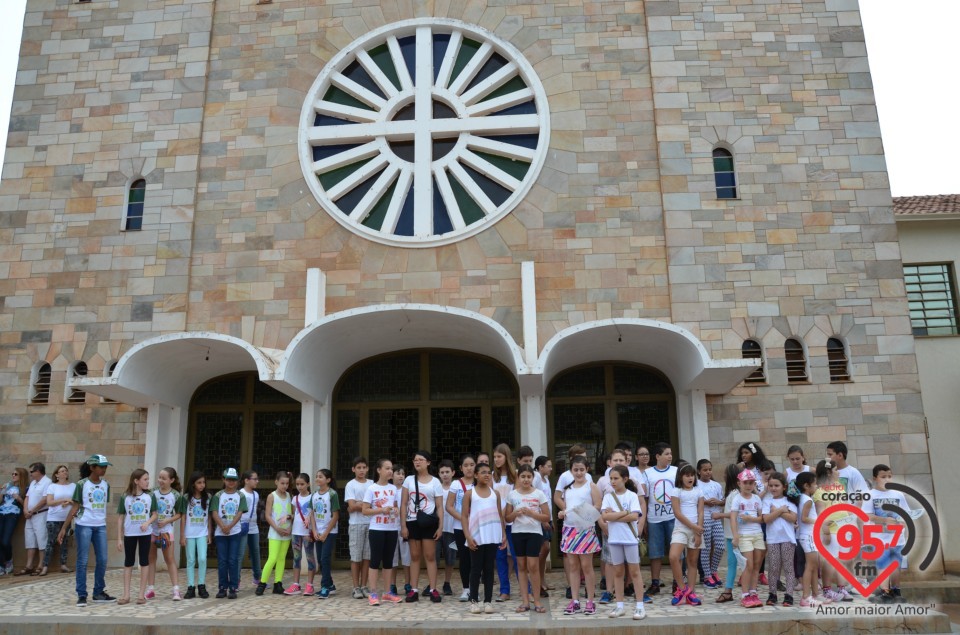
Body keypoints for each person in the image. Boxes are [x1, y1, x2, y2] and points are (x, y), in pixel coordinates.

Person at [60, 454, 115, 607]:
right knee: (82, 561)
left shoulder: (106, 484)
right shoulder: (82, 484)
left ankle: (98, 592)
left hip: (100, 525)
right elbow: (75, 507)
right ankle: (82, 595)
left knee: (103, 559)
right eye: (101, 467)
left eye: (105, 467)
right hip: (84, 524)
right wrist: (64, 528)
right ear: (92, 467)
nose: (104, 469)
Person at [600, 465, 647, 620]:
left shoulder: (632, 496)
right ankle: (619, 605)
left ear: (625, 479)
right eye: (611, 479)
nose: (612, 481)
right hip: (614, 539)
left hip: (630, 539)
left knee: (634, 572)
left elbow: (635, 517)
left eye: (616, 478)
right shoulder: (608, 497)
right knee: (618, 573)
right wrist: (625, 512)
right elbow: (605, 517)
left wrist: (615, 514)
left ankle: (640, 606)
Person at [558, 456, 602, 616]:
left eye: (581, 469)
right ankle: (575, 601)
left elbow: (598, 506)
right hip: (569, 530)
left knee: (587, 566)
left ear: (587, 470)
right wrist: (563, 512)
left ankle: (590, 601)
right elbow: (567, 507)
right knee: (573, 566)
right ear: (571, 471)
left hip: (586, 530)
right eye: (575, 470)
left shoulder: (592, 486)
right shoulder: (567, 488)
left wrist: (584, 512)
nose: (578, 472)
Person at [462, 461, 507, 614]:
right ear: (476, 475)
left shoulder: (496, 493)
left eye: (489, 472)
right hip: (476, 535)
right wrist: (468, 536)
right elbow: (463, 516)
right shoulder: (470, 493)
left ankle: (488, 601)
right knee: (475, 569)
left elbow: (500, 515)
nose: (487, 475)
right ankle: (474, 600)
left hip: (493, 535)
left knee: (489, 569)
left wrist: (503, 534)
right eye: (483, 472)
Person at [862, 464, 911, 604]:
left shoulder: (898, 494)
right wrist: (884, 520)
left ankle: (896, 591)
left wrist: (902, 522)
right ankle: (885, 592)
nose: (887, 479)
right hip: (879, 538)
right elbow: (869, 516)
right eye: (883, 477)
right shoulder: (870, 495)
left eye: (889, 476)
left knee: (896, 565)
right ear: (875, 478)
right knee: (883, 564)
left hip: (897, 537)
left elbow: (906, 514)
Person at [400, 450, 444, 603]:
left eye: (420, 459)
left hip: (429, 522)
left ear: (428, 462)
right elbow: (404, 503)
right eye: (415, 460)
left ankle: (433, 589)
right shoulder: (409, 480)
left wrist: (440, 527)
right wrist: (403, 525)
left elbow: (439, 506)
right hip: (412, 521)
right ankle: (414, 589)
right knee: (415, 556)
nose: (417, 462)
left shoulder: (435, 482)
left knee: (430, 556)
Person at [505, 464, 549, 614]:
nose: (525, 479)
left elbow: (546, 516)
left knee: (533, 566)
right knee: (521, 566)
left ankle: (536, 600)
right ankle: (525, 601)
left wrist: (531, 513)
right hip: (517, 533)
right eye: (523, 476)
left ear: (532, 478)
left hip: (534, 533)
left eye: (528, 476)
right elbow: (507, 517)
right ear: (518, 478)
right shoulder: (512, 495)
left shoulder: (539, 494)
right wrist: (516, 514)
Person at [362, 458, 403, 605]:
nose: (390, 471)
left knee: (388, 562)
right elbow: (365, 510)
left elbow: (397, 506)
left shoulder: (393, 489)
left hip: (392, 529)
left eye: (391, 468)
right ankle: (373, 593)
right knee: (374, 561)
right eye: (387, 468)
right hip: (377, 529)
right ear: (379, 470)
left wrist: (396, 511)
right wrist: (381, 510)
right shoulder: (372, 489)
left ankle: (387, 592)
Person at [116, 469, 157, 605]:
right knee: (128, 562)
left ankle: (141, 595)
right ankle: (126, 595)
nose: (147, 482)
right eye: (145, 479)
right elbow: (120, 518)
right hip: (130, 533)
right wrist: (119, 538)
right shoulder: (125, 497)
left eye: (147, 479)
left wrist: (147, 523)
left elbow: (155, 514)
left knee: (144, 561)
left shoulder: (150, 496)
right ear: (136, 481)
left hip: (145, 534)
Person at [814, 458, 852, 603]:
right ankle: (827, 589)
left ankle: (841, 587)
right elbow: (820, 515)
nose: (838, 472)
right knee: (829, 561)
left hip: (844, 530)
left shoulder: (840, 487)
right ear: (829, 472)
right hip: (831, 530)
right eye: (836, 470)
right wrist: (826, 531)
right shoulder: (819, 491)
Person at [643, 442, 677, 598]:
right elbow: (646, 497)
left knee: (676, 552)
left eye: (670, 453)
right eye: (666, 453)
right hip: (654, 518)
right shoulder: (648, 474)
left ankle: (678, 582)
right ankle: (655, 583)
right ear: (657, 456)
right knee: (655, 553)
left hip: (673, 518)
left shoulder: (676, 472)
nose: (670, 456)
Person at [146, 467, 184, 601]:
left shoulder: (176, 495)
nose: (160, 480)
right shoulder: (152, 493)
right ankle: (150, 589)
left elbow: (179, 514)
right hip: (152, 530)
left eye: (164, 478)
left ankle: (176, 590)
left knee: (169, 559)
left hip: (167, 531)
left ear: (172, 480)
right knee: (151, 559)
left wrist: (167, 520)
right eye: (159, 477)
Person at [669, 463, 704, 606]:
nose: (690, 478)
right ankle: (682, 589)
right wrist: (693, 526)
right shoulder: (676, 491)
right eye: (687, 475)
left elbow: (700, 511)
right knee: (673, 556)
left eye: (692, 475)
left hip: (696, 530)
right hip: (681, 529)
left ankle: (691, 592)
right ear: (681, 477)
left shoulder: (698, 491)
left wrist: (698, 531)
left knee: (692, 562)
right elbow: (677, 513)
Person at [762, 472, 798, 606]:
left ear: (784, 487)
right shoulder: (766, 501)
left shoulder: (789, 501)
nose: (773, 488)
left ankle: (789, 595)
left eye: (776, 485)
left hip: (788, 538)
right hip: (773, 539)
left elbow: (793, 518)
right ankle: (772, 594)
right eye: (771, 485)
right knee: (774, 567)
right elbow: (766, 519)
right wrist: (782, 510)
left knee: (788, 567)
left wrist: (776, 511)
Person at [211, 467, 248, 599]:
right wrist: (222, 526)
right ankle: (222, 587)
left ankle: (233, 587)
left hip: (235, 532)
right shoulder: (218, 495)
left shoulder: (240, 495)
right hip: (220, 533)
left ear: (237, 481)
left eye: (233, 480)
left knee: (233, 560)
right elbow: (214, 512)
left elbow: (240, 512)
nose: (231, 482)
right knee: (222, 561)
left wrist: (230, 526)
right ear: (223, 480)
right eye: (228, 479)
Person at [730, 468, 764, 608]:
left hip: (758, 534)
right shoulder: (737, 498)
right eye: (746, 482)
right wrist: (735, 535)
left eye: (751, 482)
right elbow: (732, 518)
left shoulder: (757, 498)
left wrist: (751, 518)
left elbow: (762, 518)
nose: (749, 485)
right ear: (739, 483)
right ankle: (745, 595)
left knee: (757, 565)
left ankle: (753, 592)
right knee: (747, 565)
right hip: (744, 535)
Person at [445, 453, 475, 601]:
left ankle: (475, 588)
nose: (469, 468)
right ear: (461, 468)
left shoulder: (480, 481)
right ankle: (466, 589)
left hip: (477, 526)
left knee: (476, 558)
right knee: (464, 558)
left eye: (471, 465)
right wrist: (463, 519)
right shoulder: (456, 484)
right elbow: (449, 506)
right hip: (460, 527)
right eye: (466, 465)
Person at [257, 471, 292, 596]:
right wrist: (277, 528)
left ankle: (278, 583)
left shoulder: (289, 496)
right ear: (276, 482)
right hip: (275, 532)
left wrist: (289, 528)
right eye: (282, 483)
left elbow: (292, 514)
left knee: (282, 558)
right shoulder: (272, 496)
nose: (285, 486)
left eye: (287, 483)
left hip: (287, 532)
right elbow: (267, 515)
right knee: (272, 558)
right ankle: (262, 583)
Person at [491, 443, 518, 602]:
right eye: (494, 457)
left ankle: (526, 588)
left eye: (499, 456)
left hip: (512, 521)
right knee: (500, 557)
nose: (496, 459)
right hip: (496, 523)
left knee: (517, 557)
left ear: (506, 457)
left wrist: (508, 513)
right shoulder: (492, 476)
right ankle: (504, 590)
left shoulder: (515, 475)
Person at [712, 464, 742, 604]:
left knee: (733, 563)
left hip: (734, 535)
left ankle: (729, 590)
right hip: (732, 534)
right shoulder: (734, 493)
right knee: (733, 563)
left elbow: (733, 514)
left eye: (725, 473)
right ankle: (730, 589)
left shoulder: (735, 494)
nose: (723, 475)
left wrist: (719, 515)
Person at [284, 473, 317, 595]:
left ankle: (310, 585)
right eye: (297, 484)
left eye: (302, 484)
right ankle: (296, 584)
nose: (299, 487)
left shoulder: (313, 497)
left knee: (310, 558)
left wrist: (309, 517)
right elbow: (294, 514)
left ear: (308, 484)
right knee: (296, 558)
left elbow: (314, 513)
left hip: (307, 532)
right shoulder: (295, 498)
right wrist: (287, 517)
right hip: (296, 531)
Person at [795, 471, 824, 607]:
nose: (816, 486)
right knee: (810, 566)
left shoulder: (802, 498)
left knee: (814, 566)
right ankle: (806, 597)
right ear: (807, 486)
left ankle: (815, 594)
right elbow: (804, 519)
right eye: (814, 484)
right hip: (808, 536)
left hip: (809, 535)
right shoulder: (807, 500)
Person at [345, 456, 372, 599]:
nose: (361, 470)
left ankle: (364, 585)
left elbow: (375, 504)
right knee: (356, 557)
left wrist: (360, 504)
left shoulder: (372, 484)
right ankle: (355, 587)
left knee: (367, 557)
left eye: (364, 467)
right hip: (356, 525)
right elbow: (351, 506)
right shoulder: (351, 485)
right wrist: (364, 505)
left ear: (367, 469)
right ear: (353, 469)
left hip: (371, 524)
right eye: (358, 468)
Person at [181, 470, 211, 599]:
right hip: (189, 533)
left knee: (203, 558)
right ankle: (190, 587)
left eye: (203, 482)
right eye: (199, 482)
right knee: (191, 560)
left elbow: (209, 517)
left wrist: (209, 533)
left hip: (202, 533)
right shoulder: (186, 498)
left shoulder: (208, 497)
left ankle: (202, 585)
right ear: (193, 484)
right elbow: (183, 518)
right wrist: (182, 535)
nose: (202, 485)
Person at [18, 462, 51, 576]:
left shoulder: (47, 482)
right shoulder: (33, 483)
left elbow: (44, 499)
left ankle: (41, 565)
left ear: (38, 471)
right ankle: (29, 565)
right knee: (30, 539)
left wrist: (32, 511)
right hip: (30, 515)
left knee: (42, 539)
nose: (30, 474)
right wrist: (25, 510)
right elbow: (27, 497)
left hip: (41, 514)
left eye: (32, 471)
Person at [312, 468, 339, 598]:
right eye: (317, 476)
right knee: (321, 561)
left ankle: (324, 587)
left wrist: (326, 533)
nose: (318, 479)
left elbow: (335, 516)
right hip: (318, 533)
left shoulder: (332, 494)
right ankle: (331, 585)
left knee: (325, 558)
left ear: (328, 480)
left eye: (321, 476)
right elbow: (312, 514)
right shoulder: (314, 495)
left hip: (330, 532)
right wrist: (314, 531)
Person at [697, 459, 724, 590]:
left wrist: (718, 502)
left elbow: (723, 500)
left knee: (720, 546)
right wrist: (705, 502)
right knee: (706, 547)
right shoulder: (696, 485)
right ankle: (707, 576)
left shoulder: (717, 485)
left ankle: (713, 571)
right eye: (705, 470)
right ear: (699, 471)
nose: (708, 472)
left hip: (716, 517)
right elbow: (694, 502)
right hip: (704, 517)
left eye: (709, 469)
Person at [42, 465, 75, 575]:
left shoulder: (73, 486)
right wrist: (63, 500)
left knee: (64, 542)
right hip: (53, 518)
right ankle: (45, 566)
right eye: (62, 471)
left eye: (66, 470)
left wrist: (69, 502)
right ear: (57, 475)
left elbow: (76, 501)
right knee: (50, 542)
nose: (65, 472)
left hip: (67, 518)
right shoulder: (52, 486)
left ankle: (63, 564)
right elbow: (49, 502)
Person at [237, 471, 262, 588]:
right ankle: (236, 580)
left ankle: (258, 578)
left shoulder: (256, 494)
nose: (257, 481)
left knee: (255, 552)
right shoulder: (240, 494)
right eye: (254, 479)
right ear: (246, 480)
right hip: (242, 525)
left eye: (257, 479)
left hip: (253, 526)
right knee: (240, 553)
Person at [0, 467, 26, 575]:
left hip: (13, 514)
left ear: (21, 476)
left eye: (16, 474)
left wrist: (18, 497)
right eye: (12, 474)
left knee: (5, 541)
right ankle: (1, 566)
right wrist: (1, 492)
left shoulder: (25, 488)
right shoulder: (7, 485)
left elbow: (26, 503)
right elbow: (1, 501)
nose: (13, 476)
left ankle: (9, 560)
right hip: (1, 513)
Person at [534, 455, 553, 598]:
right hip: (541, 520)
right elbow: (535, 499)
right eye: (548, 466)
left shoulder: (546, 480)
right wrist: (543, 520)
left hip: (548, 518)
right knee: (544, 548)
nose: (551, 468)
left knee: (546, 550)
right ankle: (537, 580)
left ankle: (542, 579)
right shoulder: (536, 478)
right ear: (540, 467)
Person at [436, 459, 457, 596]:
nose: (445, 475)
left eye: (447, 472)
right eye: (442, 472)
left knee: (450, 558)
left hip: (452, 527)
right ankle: (432, 585)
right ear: (439, 474)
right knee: (434, 558)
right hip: (437, 528)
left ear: (453, 473)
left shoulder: (456, 488)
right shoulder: (436, 487)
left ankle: (447, 583)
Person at [391, 465, 412, 595]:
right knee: (392, 557)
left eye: (403, 473)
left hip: (405, 527)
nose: (401, 476)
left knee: (406, 557)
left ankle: (407, 583)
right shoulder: (389, 490)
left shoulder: (407, 490)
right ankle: (392, 584)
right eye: (398, 473)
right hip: (391, 527)